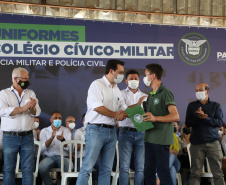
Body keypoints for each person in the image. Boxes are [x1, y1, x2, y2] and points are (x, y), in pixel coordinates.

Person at [76, 59, 128, 185]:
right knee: (87, 167)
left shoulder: (116, 89)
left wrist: (136, 110)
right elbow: (97, 107)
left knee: (106, 169)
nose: (122, 75)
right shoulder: (97, 84)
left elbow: (124, 108)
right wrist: (116, 115)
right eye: (120, 72)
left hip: (112, 131)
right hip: (96, 130)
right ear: (111, 71)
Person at [0, 67, 41, 185]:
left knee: (28, 170)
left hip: (27, 136)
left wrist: (32, 107)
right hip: (10, 137)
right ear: (16, 79)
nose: (27, 81)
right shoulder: (4, 93)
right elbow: (2, 110)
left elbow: (37, 112)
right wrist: (23, 108)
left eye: (28, 78)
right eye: (25, 79)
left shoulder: (31, 93)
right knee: (9, 170)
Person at [142, 63, 179, 185]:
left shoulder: (165, 92)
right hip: (149, 138)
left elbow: (175, 116)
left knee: (163, 172)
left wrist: (155, 118)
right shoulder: (150, 95)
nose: (144, 77)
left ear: (153, 75)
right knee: (148, 172)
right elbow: (150, 117)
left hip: (161, 140)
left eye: (146, 75)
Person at [185, 83, 225, 185]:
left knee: (218, 173)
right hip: (196, 143)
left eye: (200, 90)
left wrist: (206, 118)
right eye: (196, 90)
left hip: (213, 142)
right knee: (195, 174)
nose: (198, 92)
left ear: (207, 91)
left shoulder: (216, 105)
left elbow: (219, 122)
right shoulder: (192, 105)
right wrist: (198, 117)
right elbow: (188, 123)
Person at [118, 69, 147, 185]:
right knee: (124, 167)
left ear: (139, 80)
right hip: (125, 132)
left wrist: (131, 111)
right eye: (131, 79)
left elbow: (144, 114)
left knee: (140, 167)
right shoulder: (120, 93)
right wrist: (139, 105)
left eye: (136, 79)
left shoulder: (145, 96)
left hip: (142, 132)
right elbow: (124, 111)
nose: (134, 81)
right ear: (126, 81)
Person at [39, 111, 72, 185]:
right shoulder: (44, 131)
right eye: (55, 118)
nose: (58, 119)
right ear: (51, 120)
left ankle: (60, 182)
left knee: (69, 166)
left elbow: (70, 149)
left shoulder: (66, 131)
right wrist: (51, 137)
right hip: (48, 157)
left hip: (63, 157)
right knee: (41, 167)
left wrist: (63, 140)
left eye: (60, 118)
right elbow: (41, 149)